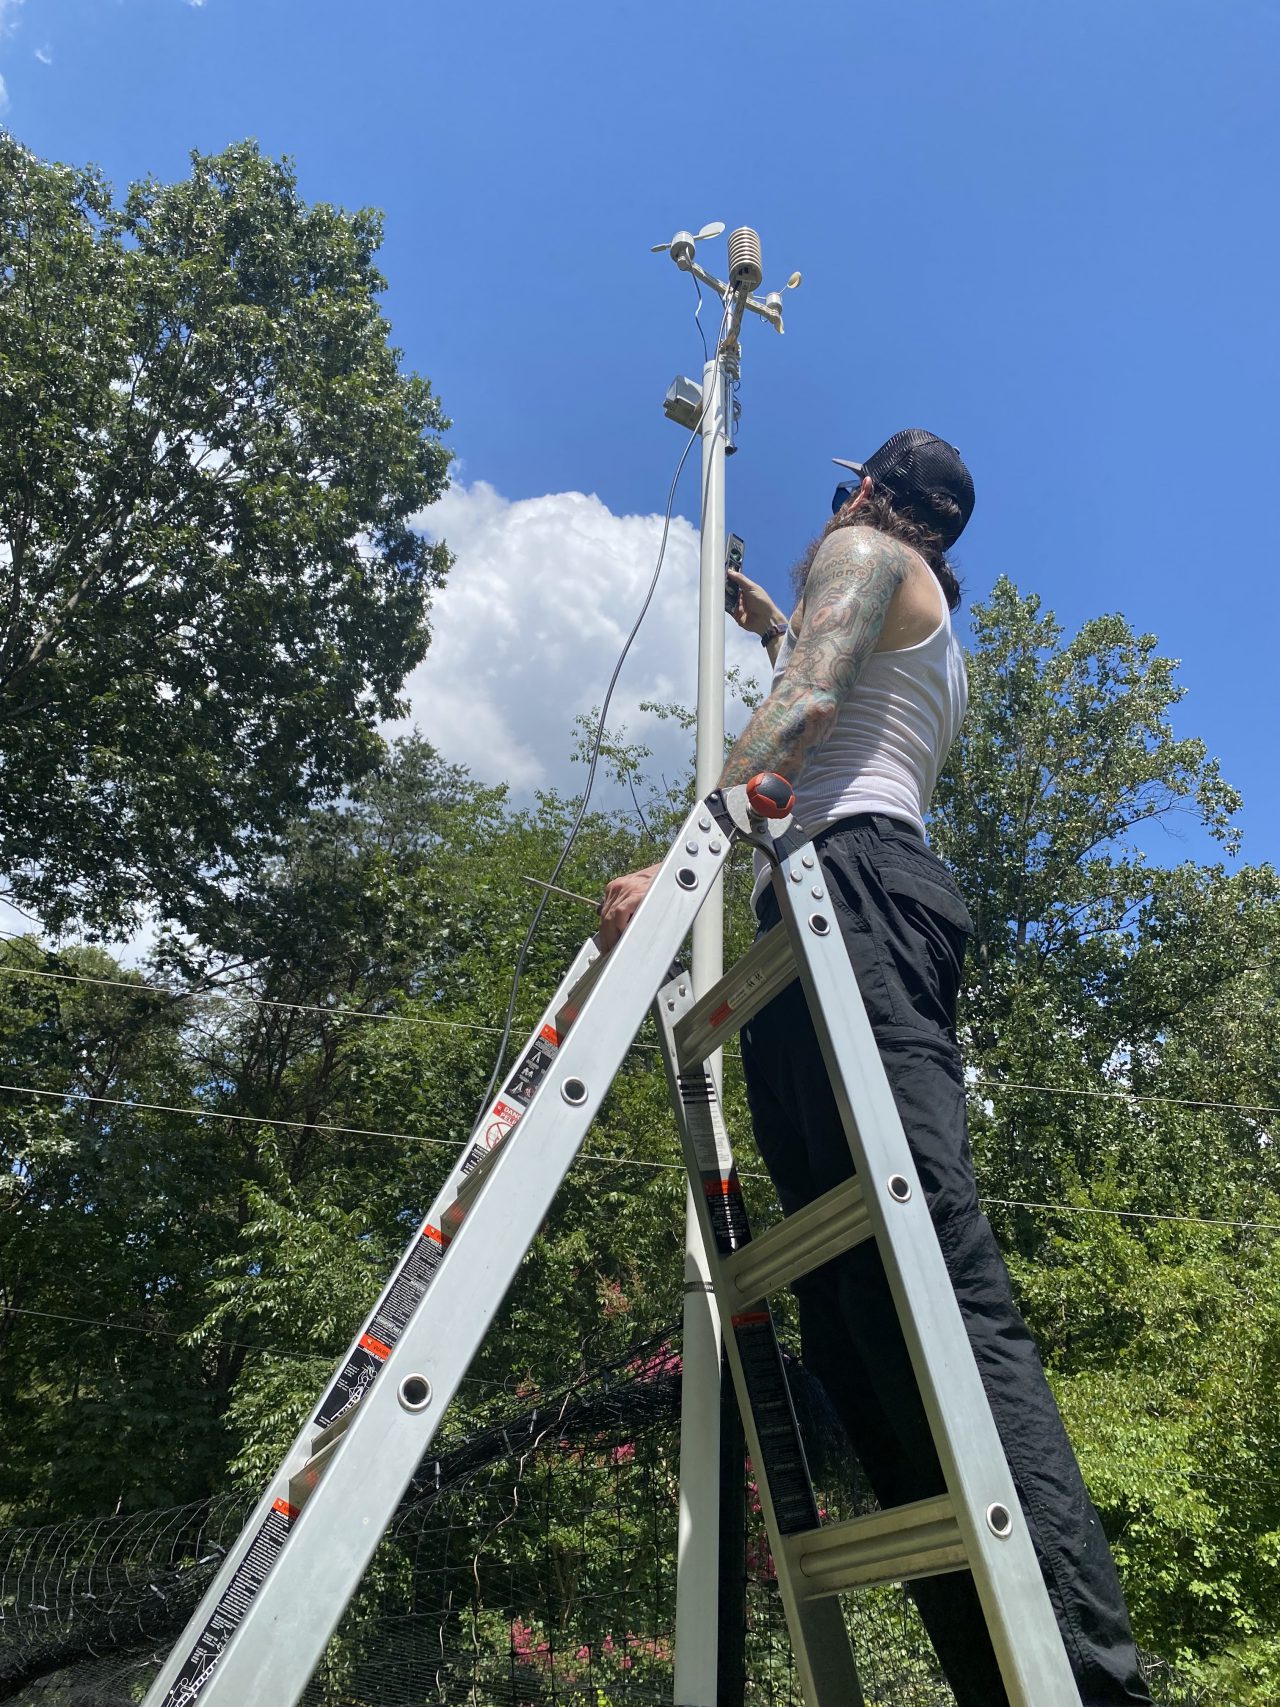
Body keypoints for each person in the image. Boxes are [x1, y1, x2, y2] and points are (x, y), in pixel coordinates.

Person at [599, 431, 1152, 1707]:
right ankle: (997, 1675)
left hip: (850, 891)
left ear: (866, 496)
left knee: (933, 1283)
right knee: (858, 1315)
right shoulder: (929, 623)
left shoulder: (863, 555)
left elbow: (802, 706)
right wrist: (766, 616)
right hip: (835, 904)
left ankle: (1088, 1685)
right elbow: (826, 672)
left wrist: (681, 854)